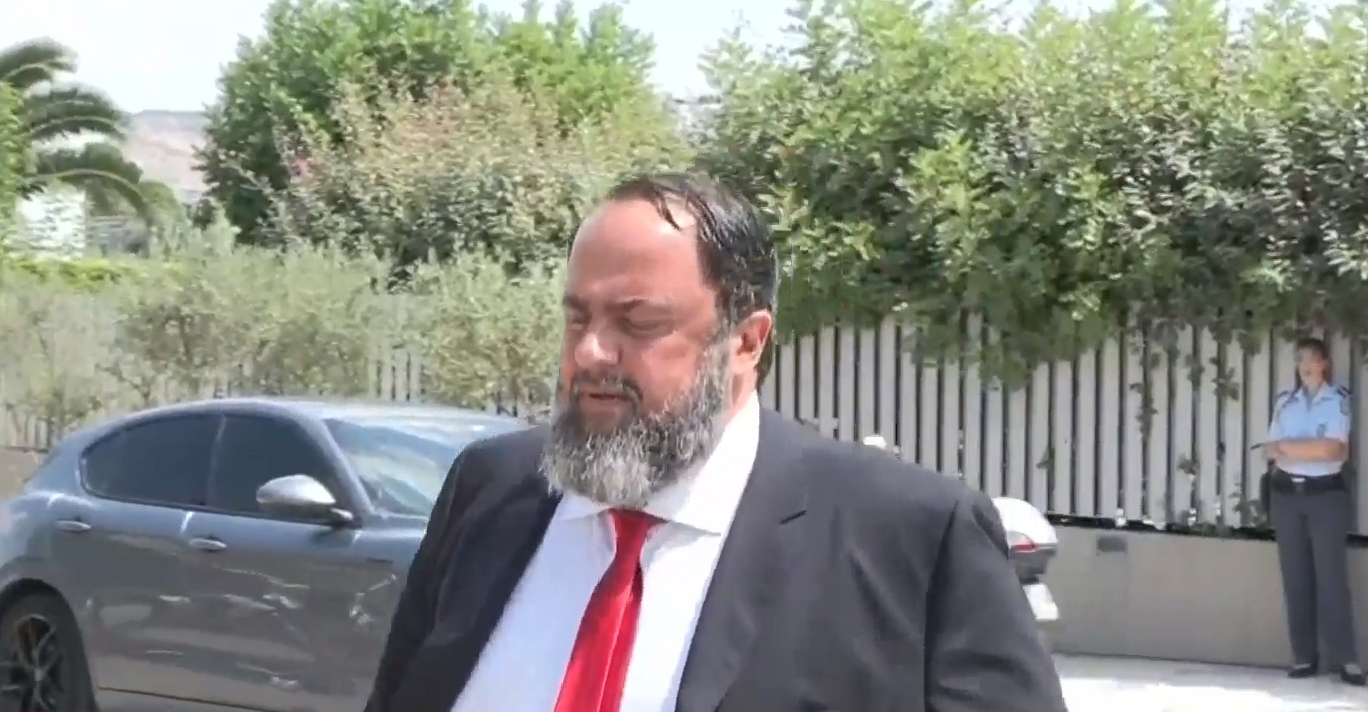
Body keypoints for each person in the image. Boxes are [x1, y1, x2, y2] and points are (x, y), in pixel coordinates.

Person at [362, 173, 1066, 712]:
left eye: (638, 323)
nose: (591, 352)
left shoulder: (911, 538)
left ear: (746, 341)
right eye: (578, 319)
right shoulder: (491, 491)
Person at [1265, 336, 1365, 686]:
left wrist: (1291, 448)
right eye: (1300, 360)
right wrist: (1309, 448)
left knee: (1331, 578)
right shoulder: (1285, 402)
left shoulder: (1337, 400)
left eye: (1311, 359)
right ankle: (1304, 656)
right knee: (1295, 577)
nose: (1305, 366)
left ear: (1324, 364)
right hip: (1287, 496)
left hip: (1325, 496)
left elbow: (1334, 451)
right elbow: (1271, 450)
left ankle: (1346, 659)